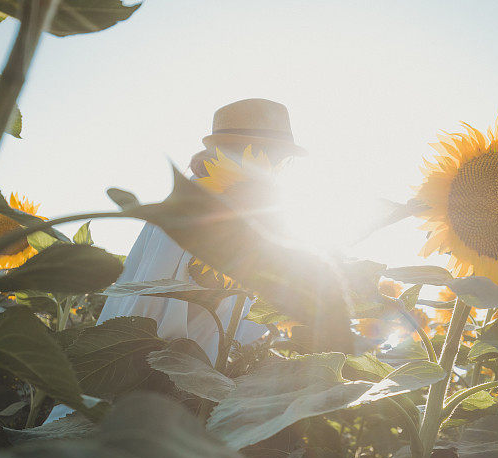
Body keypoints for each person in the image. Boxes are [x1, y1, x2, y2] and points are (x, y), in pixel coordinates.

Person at [45, 99, 305, 423]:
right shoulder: (203, 204)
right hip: (159, 388)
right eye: (276, 154)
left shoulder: (236, 203)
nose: (279, 166)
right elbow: (160, 299)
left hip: (183, 380)